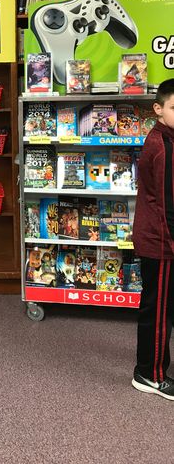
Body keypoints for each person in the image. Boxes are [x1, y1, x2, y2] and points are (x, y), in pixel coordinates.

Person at [132, 78, 174, 401]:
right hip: (161, 242)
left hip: (163, 239)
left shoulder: (168, 138)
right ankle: (150, 374)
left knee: (164, 307)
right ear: (158, 110)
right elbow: (167, 204)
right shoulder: (162, 147)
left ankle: (155, 364)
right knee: (158, 310)